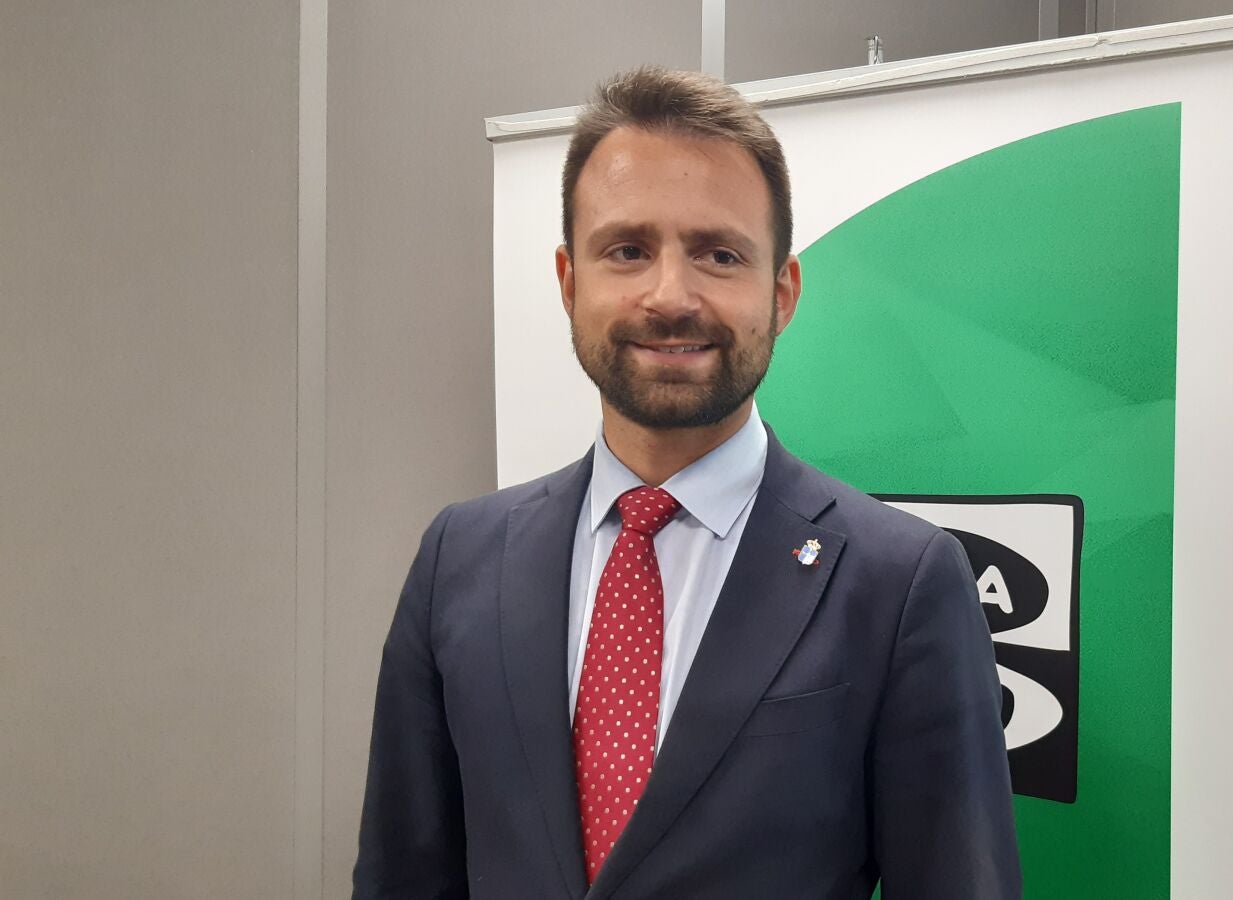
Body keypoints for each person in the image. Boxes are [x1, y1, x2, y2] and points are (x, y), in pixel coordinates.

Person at [353, 66, 1021, 900]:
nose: (671, 297)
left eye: (719, 254)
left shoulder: (899, 583)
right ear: (570, 282)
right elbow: (404, 875)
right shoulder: (460, 557)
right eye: (628, 251)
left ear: (781, 293)